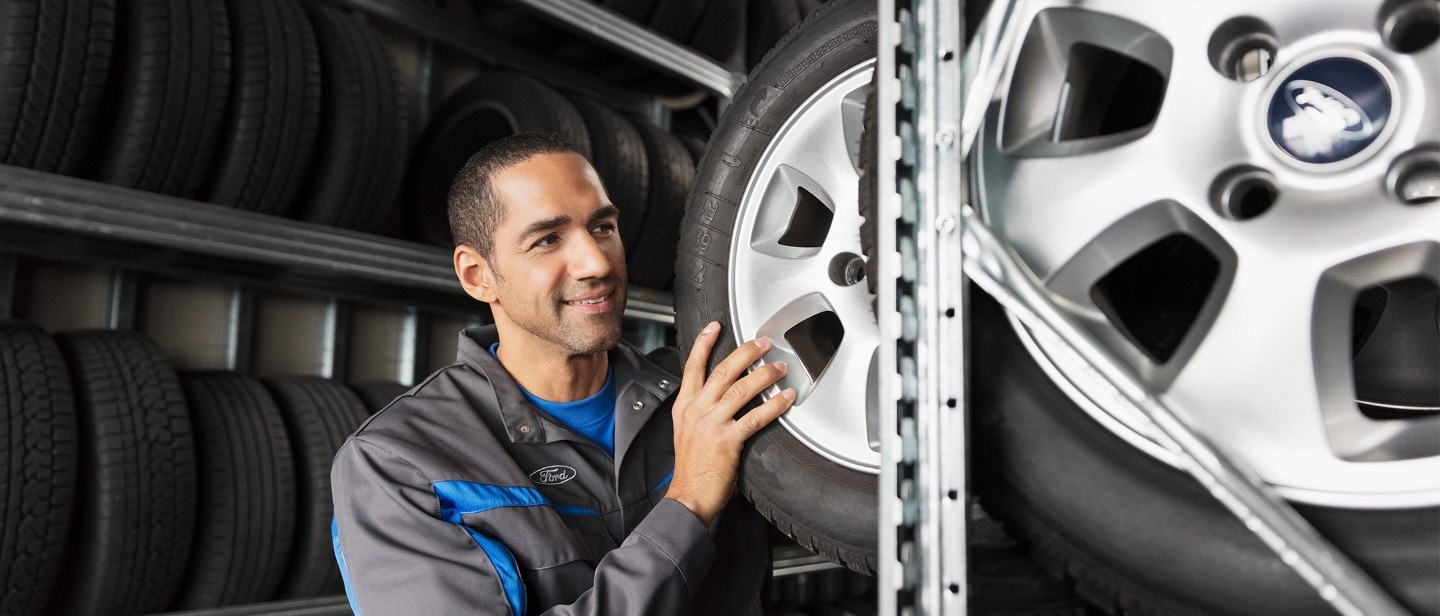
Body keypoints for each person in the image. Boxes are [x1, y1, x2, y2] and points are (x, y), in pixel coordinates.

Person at [330, 132, 797, 615]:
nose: (597, 262)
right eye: (547, 239)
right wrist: (689, 502)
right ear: (477, 275)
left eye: (602, 227)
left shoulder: (706, 392)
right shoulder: (399, 466)